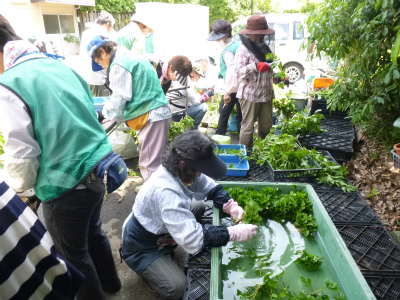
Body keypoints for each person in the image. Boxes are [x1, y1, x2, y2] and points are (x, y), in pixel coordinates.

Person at [0, 20, 121, 299]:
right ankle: (112, 285)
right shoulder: (59, 66)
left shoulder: (9, 84)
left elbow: (22, 156)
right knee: (94, 232)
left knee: (73, 255)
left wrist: (16, 186)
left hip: (65, 185)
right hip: (99, 168)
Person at [122, 130, 258, 300]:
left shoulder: (181, 171)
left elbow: (209, 186)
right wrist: (232, 233)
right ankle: (150, 274)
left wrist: (230, 205)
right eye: (199, 170)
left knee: (199, 206)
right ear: (183, 164)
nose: (200, 174)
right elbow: (194, 240)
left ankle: (168, 249)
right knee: (177, 287)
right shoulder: (167, 192)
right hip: (142, 246)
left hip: (160, 225)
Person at [87, 35, 171, 181]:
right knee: (155, 162)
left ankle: (152, 200)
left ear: (102, 51)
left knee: (150, 165)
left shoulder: (119, 64)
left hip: (151, 114)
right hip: (156, 113)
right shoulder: (129, 56)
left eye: (98, 60)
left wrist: (102, 114)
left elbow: (118, 100)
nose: (100, 64)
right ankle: (155, 193)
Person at [0, 180, 85, 300]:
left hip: (62, 190)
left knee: (75, 253)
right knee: (92, 234)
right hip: (88, 179)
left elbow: (25, 174)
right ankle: (111, 283)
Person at [235, 14, 276, 148]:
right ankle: (245, 155)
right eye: (256, 34)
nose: (259, 36)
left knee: (266, 126)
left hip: (266, 94)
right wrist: (255, 66)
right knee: (248, 127)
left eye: (262, 34)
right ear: (248, 34)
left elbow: (272, 67)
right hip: (250, 95)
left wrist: (279, 77)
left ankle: (263, 152)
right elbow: (239, 72)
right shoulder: (243, 50)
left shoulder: (266, 48)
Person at [207, 19, 242, 135]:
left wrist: (227, 92)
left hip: (232, 87)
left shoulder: (228, 51)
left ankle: (219, 138)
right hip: (240, 86)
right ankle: (243, 144)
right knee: (240, 116)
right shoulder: (236, 45)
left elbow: (231, 71)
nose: (217, 40)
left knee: (223, 114)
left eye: (219, 37)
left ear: (227, 34)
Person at [79, 11, 117, 97]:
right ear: (107, 24)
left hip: (87, 78)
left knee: (93, 104)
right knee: (104, 104)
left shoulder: (86, 33)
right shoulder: (108, 34)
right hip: (102, 80)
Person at [169, 62, 209, 129]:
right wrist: (205, 97)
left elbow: (191, 98)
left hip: (172, 112)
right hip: (179, 115)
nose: (199, 78)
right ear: (193, 73)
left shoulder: (181, 78)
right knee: (204, 107)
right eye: (199, 75)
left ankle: (189, 128)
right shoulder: (188, 83)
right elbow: (195, 102)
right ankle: (193, 129)